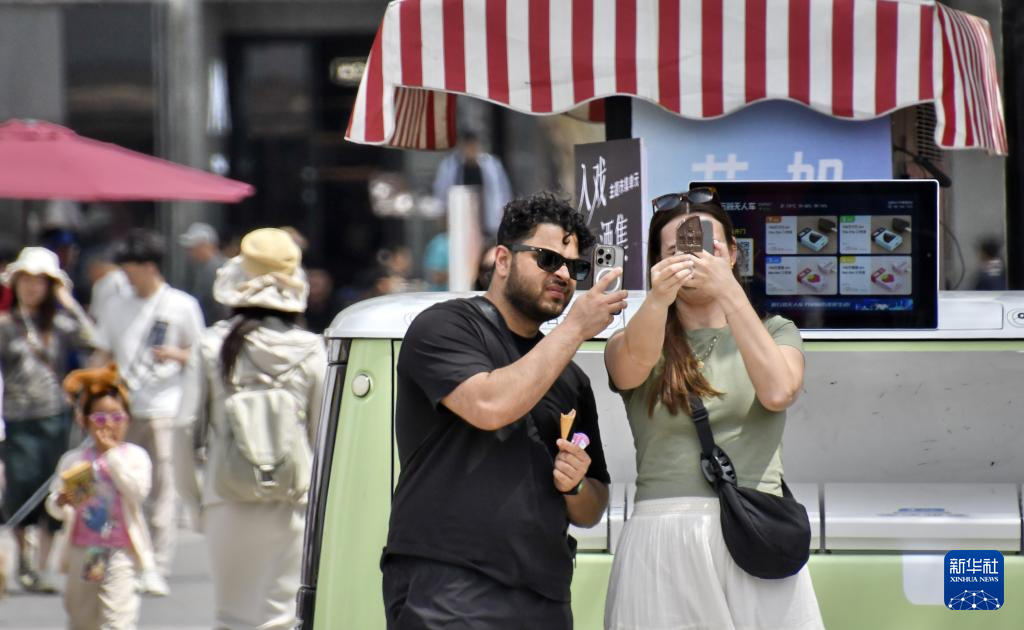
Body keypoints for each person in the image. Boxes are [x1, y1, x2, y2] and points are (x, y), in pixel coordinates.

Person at [381, 192, 625, 629]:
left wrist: (574, 485)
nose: (564, 275)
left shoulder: (570, 377)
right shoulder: (446, 325)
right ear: (503, 259)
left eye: (575, 267)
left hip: (545, 595)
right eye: (548, 259)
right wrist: (575, 329)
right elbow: (490, 405)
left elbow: (592, 508)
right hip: (450, 588)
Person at [603, 192, 823, 629]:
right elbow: (630, 369)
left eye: (709, 247)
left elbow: (779, 391)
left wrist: (728, 290)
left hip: (756, 531)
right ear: (656, 263)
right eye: (675, 251)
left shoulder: (776, 331)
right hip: (663, 536)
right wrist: (657, 299)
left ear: (734, 254)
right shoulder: (634, 338)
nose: (694, 258)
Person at [174, 227, 327, 630]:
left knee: (232, 616)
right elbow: (324, 438)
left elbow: (183, 428)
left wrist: (195, 501)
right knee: (281, 617)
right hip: (294, 499)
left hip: (225, 495)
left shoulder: (213, 344)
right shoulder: (312, 349)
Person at [92, 229, 205, 596]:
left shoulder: (181, 305)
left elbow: (202, 354)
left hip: (166, 408)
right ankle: (127, 558)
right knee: (120, 486)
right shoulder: (115, 306)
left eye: (131, 269)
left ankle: (156, 563)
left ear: (150, 267)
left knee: (162, 489)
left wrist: (176, 355)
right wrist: (91, 393)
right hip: (122, 410)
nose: (126, 277)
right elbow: (103, 352)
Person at [0, 246, 97, 594]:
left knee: (58, 485)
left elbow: (93, 340)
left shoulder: (60, 324)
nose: (31, 287)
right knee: (21, 487)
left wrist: (68, 302)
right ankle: (24, 561)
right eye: (26, 280)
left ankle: (50, 561)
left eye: (40, 281)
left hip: (58, 415)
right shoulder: (6, 325)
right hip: (18, 417)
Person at [47, 365, 153, 630]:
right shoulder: (75, 460)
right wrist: (60, 501)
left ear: (128, 419)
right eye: (99, 418)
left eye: (117, 417)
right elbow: (56, 506)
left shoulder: (133, 456)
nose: (108, 425)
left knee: (118, 617)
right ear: (84, 421)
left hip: (119, 549)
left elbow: (137, 493)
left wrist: (112, 456)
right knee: (83, 616)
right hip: (87, 550)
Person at [432, 130, 513, 237]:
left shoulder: (491, 165)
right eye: (467, 146)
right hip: (460, 219)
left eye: (473, 146)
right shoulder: (450, 166)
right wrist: (443, 217)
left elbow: (502, 192)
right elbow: (441, 193)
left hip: (487, 219)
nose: (470, 150)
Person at [178, 222, 228, 325]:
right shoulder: (202, 267)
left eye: (193, 248)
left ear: (206, 246)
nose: (190, 252)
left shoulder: (218, 268)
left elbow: (222, 305)